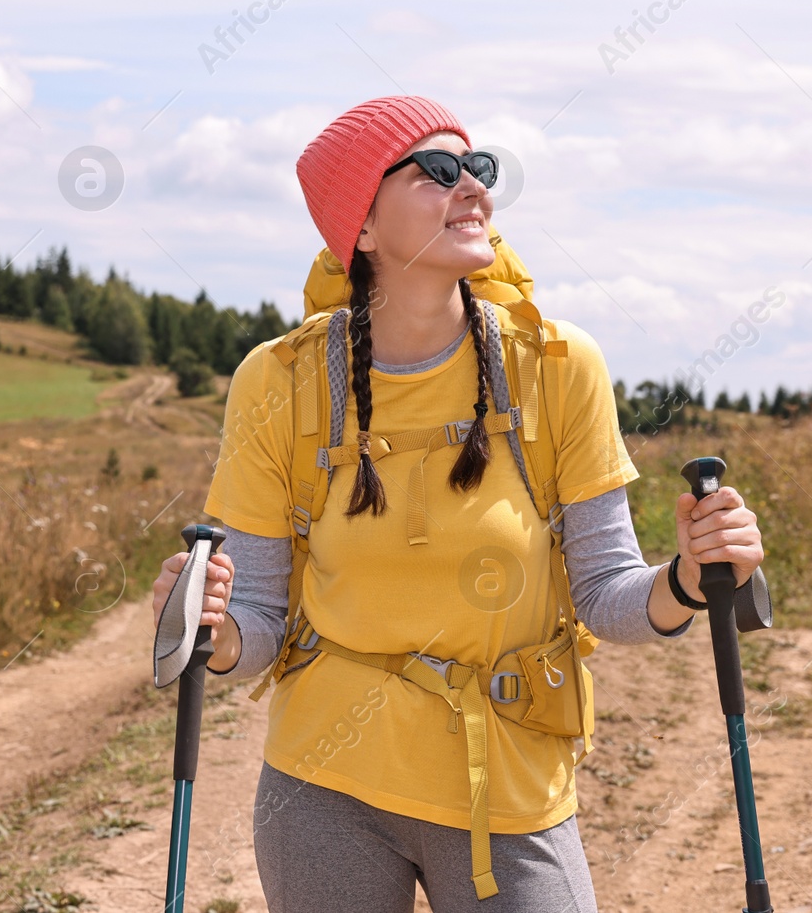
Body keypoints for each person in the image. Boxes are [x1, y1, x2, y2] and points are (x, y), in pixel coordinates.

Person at [151, 95, 766, 912]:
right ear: (360, 228)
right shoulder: (281, 381)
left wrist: (689, 576)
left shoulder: (557, 364)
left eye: (480, 169)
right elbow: (257, 626)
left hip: (509, 789)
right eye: (438, 172)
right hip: (322, 787)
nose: (472, 188)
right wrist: (208, 628)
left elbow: (609, 596)